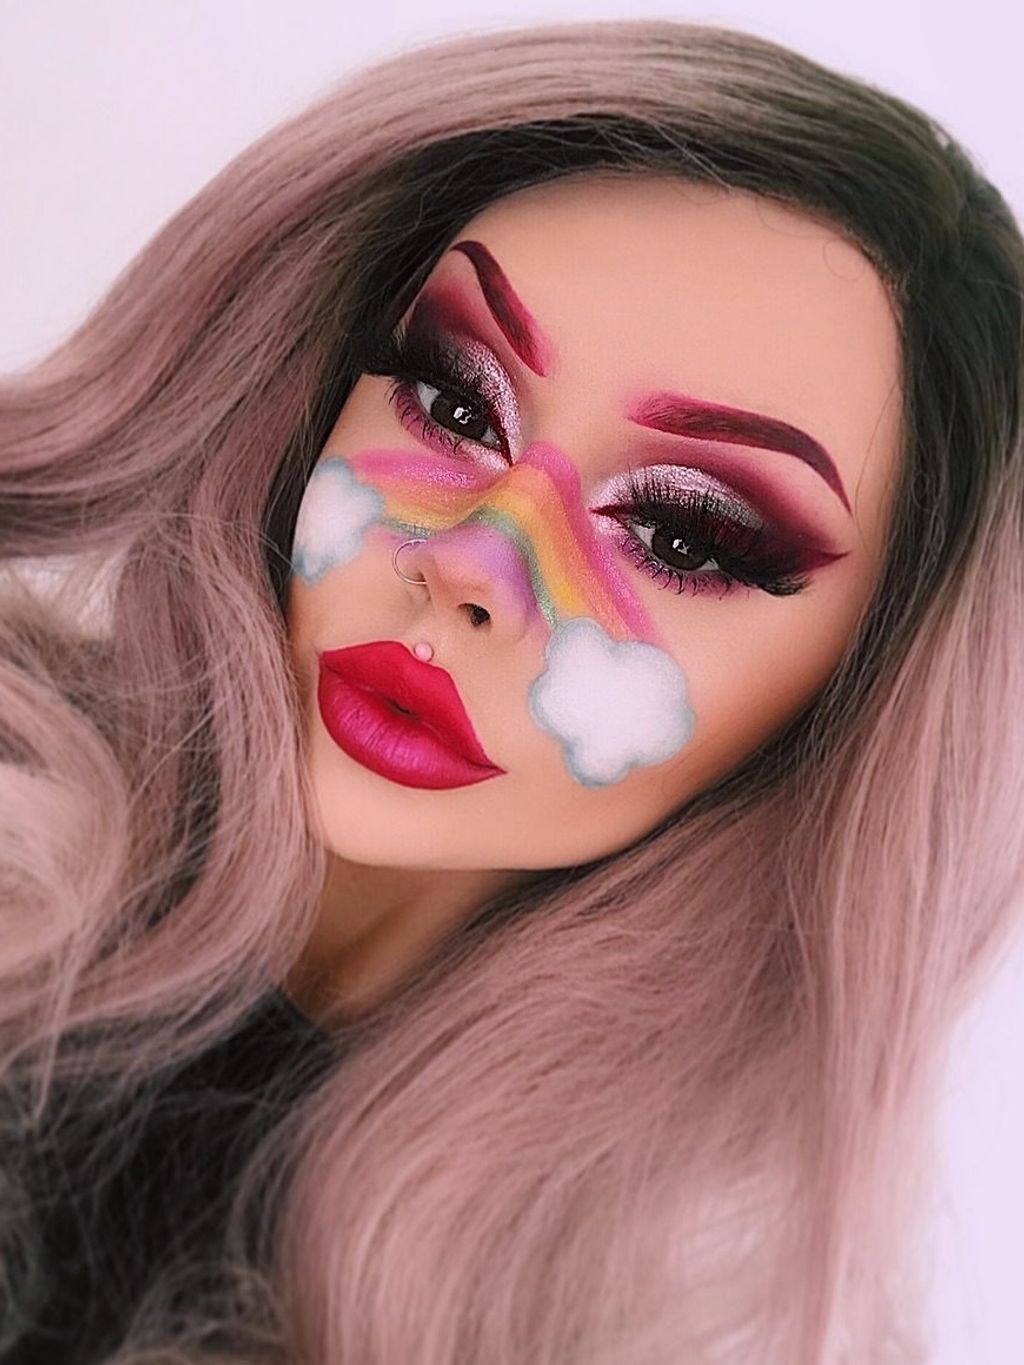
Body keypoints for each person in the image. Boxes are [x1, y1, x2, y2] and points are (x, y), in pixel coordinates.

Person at [1, 17, 1022, 1365]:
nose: (475, 561)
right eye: (454, 397)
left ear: (851, 703)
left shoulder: (672, 1327)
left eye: (682, 535)